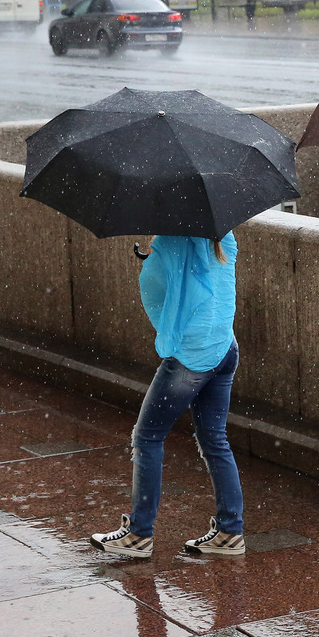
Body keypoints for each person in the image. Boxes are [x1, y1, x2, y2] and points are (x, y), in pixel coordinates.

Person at [91, 235, 246, 558]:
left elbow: (158, 291)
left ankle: (139, 534)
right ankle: (230, 531)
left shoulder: (170, 242)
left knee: (147, 438)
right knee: (215, 440)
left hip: (192, 356)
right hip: (224, 346)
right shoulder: (224, 236)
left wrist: (150, 255)